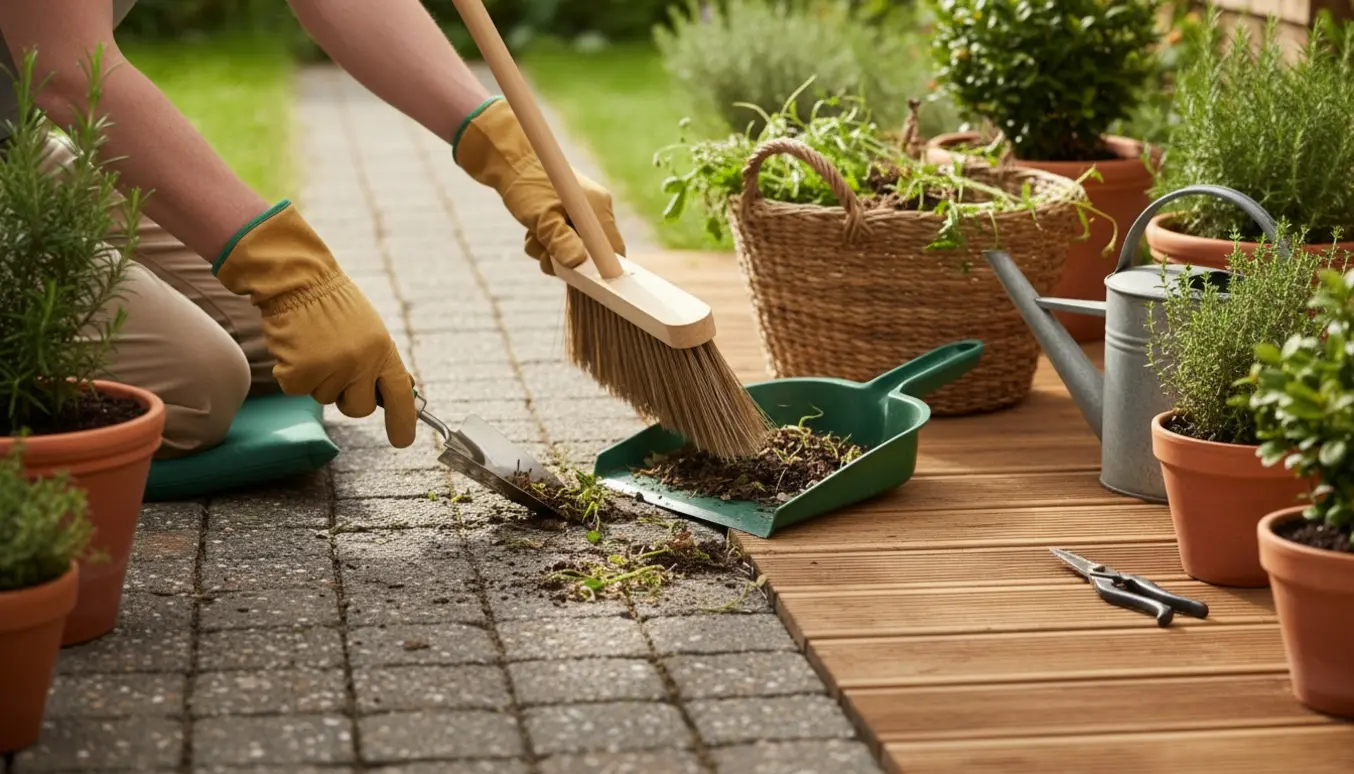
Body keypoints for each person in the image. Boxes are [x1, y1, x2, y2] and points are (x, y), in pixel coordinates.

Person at [0, 0, 626, 458]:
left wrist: (507, 147)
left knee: (278, 345)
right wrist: (285, 268)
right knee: (195, 389)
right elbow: (70, 72)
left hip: (17, 150)